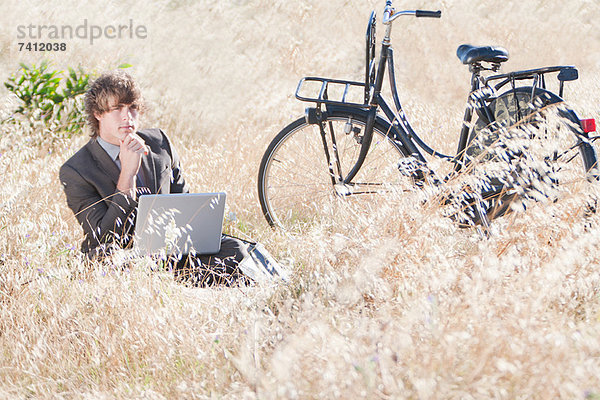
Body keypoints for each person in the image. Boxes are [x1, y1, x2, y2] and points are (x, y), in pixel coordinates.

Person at [59, 70, 248, 286]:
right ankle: (166, 284)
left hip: (169, 251)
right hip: (121, 256)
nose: (127, 117)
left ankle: (166, 284)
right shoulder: (76, 169)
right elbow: (103, 237)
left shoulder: (159, 142)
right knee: (107, 260)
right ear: (98, 114)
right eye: (117, 109)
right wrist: (127, 175)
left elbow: (185, 203)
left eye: (132, 108)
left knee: (233, 249)